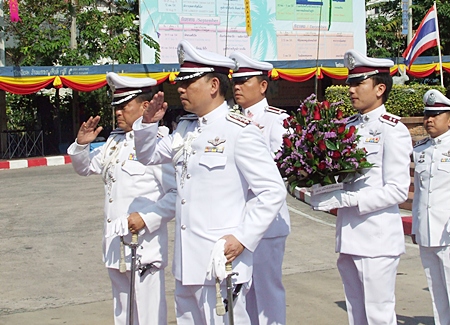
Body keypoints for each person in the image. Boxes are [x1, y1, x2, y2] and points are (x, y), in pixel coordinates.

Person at [132, 40, 287, 325]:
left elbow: (272, 191)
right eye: (180, 82)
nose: (180, 88)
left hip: (220, 259)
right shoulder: (186, 128)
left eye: (189, 83)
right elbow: (149, 155)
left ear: (214, 85)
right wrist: (147, 126)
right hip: (187, 262)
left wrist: (243, 237)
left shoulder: (240, 131)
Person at [310, 49, 413, 325]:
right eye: (350, 84)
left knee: (379, 315)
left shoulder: (393, 129)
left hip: (377, 238)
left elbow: (397, 189)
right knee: (357, 315)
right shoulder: (346, 126)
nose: (351, 90)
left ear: (380, 88)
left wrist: (350, 200)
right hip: (349, 235)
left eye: (358, 83)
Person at [67, 72, 176, 325]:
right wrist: (81, 146)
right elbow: (86, 169)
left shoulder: (159, 143)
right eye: (116, 106)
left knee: (148, 316)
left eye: (125, 105)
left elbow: (176, 194)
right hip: (116, 245)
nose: (118, 112)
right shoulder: (115, 141)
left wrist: (146, 219)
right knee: (123, 314)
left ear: (145, 106)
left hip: (144, 246)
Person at [229, 51, 290, 325]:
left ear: (263, 85)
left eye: (245, 81)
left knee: (267, 294)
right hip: (236, 222)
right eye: (235, 82)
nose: (237, 87)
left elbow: (282, 172)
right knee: (241, 295)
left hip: (267, 224)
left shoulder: (277, 121)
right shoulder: (230, 122)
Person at [412, 89, 450, 325]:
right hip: (427, 231)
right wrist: (416, 226)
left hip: (447, 231)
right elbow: (419, 193)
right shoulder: (420, 150)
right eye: (427, 115)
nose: (429, 120)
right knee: (436, 289)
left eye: (436, 115)